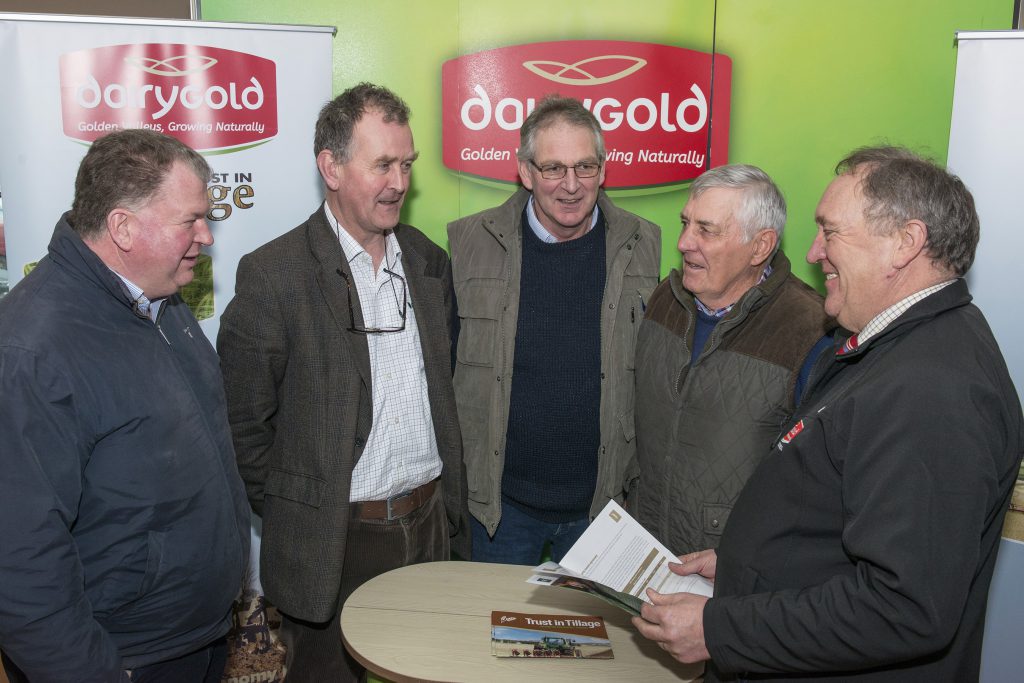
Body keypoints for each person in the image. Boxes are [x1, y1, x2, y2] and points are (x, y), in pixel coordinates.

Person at [633, 146, 1024, 682]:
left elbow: (902, 606)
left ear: (904, 244)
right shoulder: (901, 348)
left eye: (831, 231)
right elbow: (838, 528)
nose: (814, 253)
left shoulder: (933, 388)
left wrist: (721, 629)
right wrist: (746, 571)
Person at [217, 83, 469, 682]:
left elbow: (445, 384)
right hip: (335, 543)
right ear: (330, 166)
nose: (400, 182)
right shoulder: (274, 276)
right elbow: (243, 430)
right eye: (382, 163)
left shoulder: (429, 262)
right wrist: (306, 505)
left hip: (430, 526)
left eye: (406, 164)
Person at [0, 129, 250, 682]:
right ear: (122, 227)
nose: (206, 236)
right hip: (126, 661)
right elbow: (20, 566)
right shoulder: (32, 352)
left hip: (196, 636)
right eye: (190, 221)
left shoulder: (161, 300)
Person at [448, 95, 661, 565]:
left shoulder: (646, 245)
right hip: (497, 514)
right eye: (553, 169)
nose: (571, 186)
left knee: (599, 640)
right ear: (525, 172)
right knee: (487, 636)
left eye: (585, 167)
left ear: (603, 170)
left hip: (603, 510)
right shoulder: (468, 245)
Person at [632, 164, 833, 555]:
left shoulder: (811, 331)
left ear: (760, 246)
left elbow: (816, 491)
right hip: (644, 551)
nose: (685, 242)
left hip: (736, 573)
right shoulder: (664, 301)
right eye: (686, 223)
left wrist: (738, 561)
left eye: (706, 230)